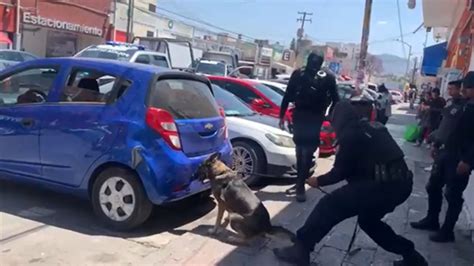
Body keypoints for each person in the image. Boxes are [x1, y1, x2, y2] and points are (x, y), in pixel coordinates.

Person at [273, 101, 427, 266]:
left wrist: (317, 180)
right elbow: (373, 161)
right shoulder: (373, 127)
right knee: (369, 222)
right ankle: (412, 256)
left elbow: (339, 172)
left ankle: (300, 250)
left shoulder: (351, 135)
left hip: (382, 187)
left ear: (339, 119)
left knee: (329, 205)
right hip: (401, 184)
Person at [411, 75, 474, 242]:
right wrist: (436, 144)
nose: (463, 90)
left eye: (467, 87)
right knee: (433, 186)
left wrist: (468, 160)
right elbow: (447, 128)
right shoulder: (461, 105)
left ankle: (447, 230)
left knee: (453, 194)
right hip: (445, 153)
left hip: (460, 157)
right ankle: (432, 219)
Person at [279, 52, 339, 202]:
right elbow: (288, 95)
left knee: (305, 152)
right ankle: (300, 182)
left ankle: (300, 184)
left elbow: (335, 100)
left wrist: (330, 117)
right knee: (302, 151)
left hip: (311, 117)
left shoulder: (325, 76)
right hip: (303, 116)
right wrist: (281, 115)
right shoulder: (300, 74)